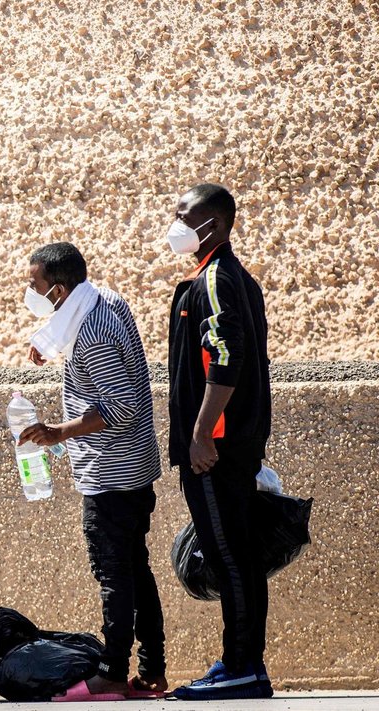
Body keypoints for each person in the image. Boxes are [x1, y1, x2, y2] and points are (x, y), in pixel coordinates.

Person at [16, 243, 167, 702]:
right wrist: (48, 345)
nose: (30, 291)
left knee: (113, 573)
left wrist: (58, 432)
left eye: (36, 285)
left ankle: (113, 672)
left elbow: (119, 406)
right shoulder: (105, 301)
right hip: (134, 469)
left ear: (59, 290)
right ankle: (152, 671)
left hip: (111, 473)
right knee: (136, 570)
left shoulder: (92, 333)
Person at [163, 184, 272, 701]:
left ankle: (242, 666)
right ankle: (244, 662)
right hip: (229, 446)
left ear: (215, 225)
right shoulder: (225, 277)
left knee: (228, 556)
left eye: (186, 216)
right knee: (239, 557)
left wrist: (202, 434)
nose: (176, 223)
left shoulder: (216, 280)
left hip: (218, 450)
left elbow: (226, 361)